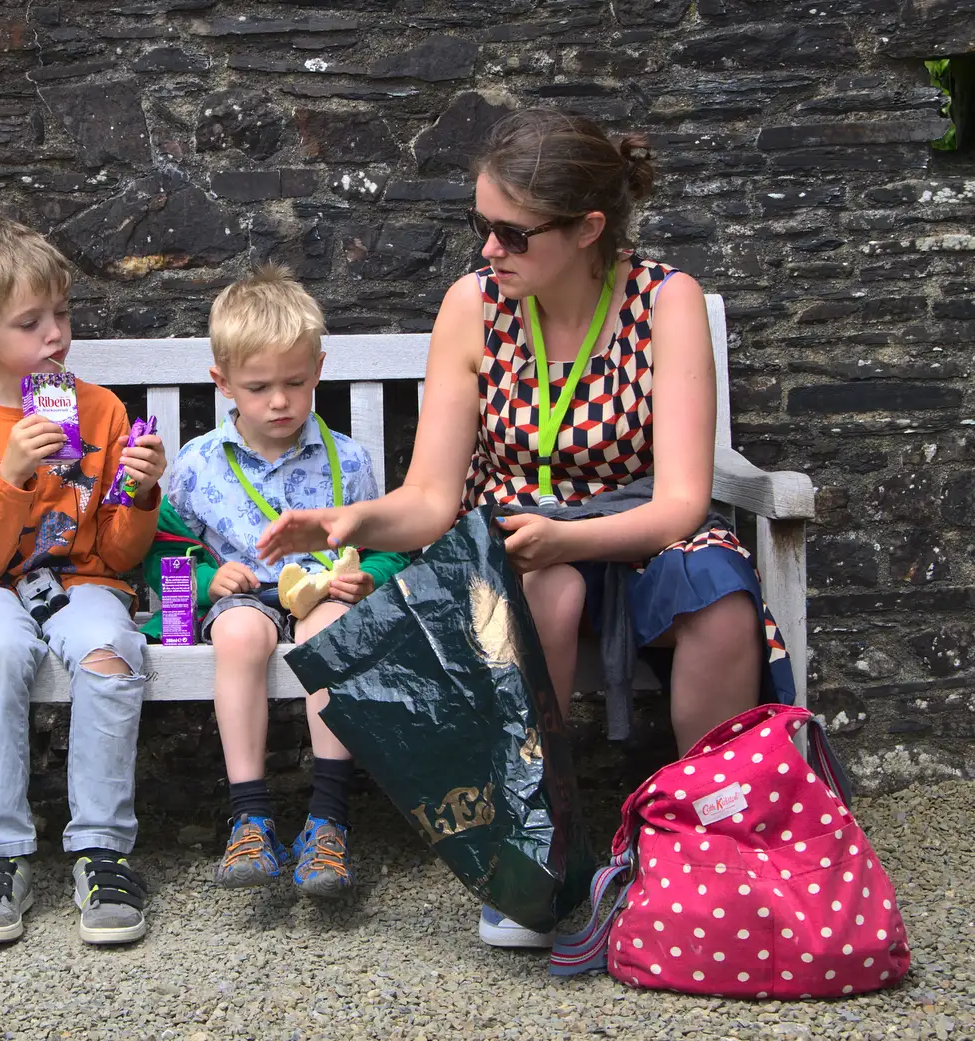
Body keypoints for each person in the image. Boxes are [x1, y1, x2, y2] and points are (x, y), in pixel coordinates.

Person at [256, 109, 798, 948]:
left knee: (722, 599)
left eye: (511, 234)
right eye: (482, 227)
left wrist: (572, 534)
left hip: (638, 522)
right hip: (514, 535)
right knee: (541, 584)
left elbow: (685, 499)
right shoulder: (474, 306)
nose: (488, 251)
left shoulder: (665, 300)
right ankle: (530, 851)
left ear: (587, 230)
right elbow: (432, 499)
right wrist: (349, 518)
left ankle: (708, 846)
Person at [0, 216, 167, 946]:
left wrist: (142, 493)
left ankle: (101, 848)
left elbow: (117, 555)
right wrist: (12, 474)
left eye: (61, 313)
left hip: (81, 579)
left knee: (109, 651)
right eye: (30, 323)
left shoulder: (101, 409)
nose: (54, 335)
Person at [140, 267, 408, 897]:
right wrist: (206, 580)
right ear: (223, 383)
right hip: (243, 600)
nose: (280, 402)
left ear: (318, 368)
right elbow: (162, 553)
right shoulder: (197, 465)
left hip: (322, 596)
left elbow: (388, 547)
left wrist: (365, 577)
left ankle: (328, 820)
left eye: (294, 383)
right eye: (258, 388)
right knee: (236, 635)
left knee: (334, 630)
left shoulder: (350, 460)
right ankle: (250, 813)